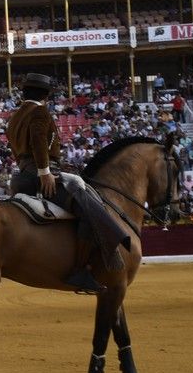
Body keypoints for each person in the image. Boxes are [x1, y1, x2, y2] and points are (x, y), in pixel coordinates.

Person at [7, 73, 128, 295]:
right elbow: (38, 140)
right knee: (87, 209)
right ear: (45, 95)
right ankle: (79, 271)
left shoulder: (16, 117)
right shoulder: (40, 111)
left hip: (22, 176)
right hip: (39, 175)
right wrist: (45, 172)